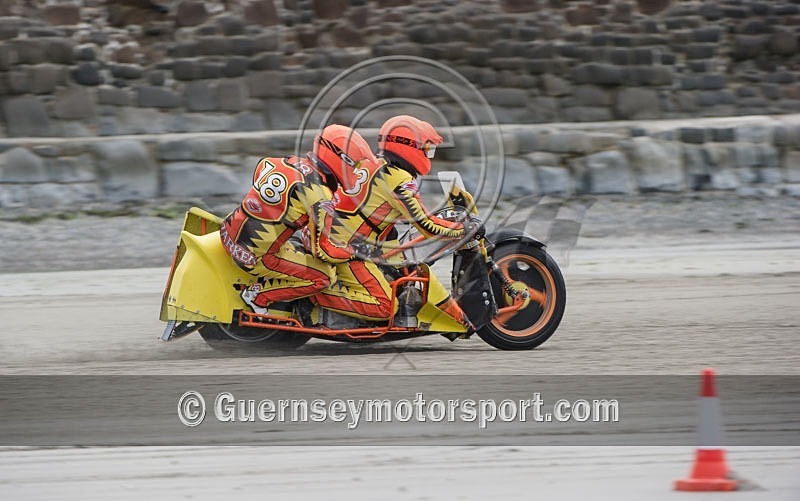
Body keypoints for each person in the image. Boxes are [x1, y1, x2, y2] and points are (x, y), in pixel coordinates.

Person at [311, 115, 477, 330]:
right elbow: (427, 226)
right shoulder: (398, 179)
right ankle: (316, 297)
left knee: (403, 262)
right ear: (409, 147)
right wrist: (462, 229)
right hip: (350, 249)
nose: (429, 155)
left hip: (349, 238)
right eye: (427, 150)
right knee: (385, 306)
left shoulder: (375, 165)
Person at [220, 124, 375, 314]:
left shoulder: (282, 161)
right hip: (255, 256)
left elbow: (260, 173)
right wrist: (355, 250)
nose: (357, 171)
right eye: (356, 165)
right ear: (342, 160)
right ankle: (257, 297)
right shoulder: (320, 194)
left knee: (294, 238)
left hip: (228, 231)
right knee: (324, 277)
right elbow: (323, 251)